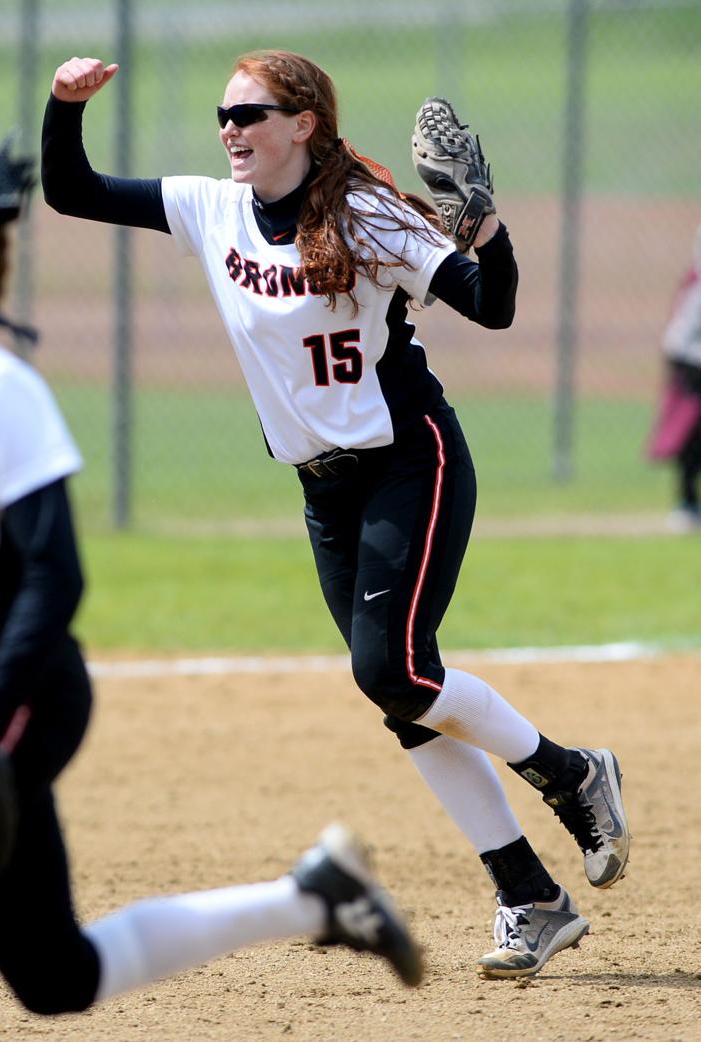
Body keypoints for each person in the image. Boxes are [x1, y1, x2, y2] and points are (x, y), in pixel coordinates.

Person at [0, 141, 423, 1042]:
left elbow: (56, 576)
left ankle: (313, 899)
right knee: (55, 976)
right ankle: (311, 900)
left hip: (19, 688)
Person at [40, 51, 632, 981]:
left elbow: (496, 307)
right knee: (402, 700)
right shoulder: (212, 207)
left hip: (410, 460)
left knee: (390, 667)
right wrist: (64, 105)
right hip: (322, 488)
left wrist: (488, 231)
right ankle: (530, 895)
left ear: (304, 122)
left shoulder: (367, 212)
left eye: (252, 113)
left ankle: (570, 774)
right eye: (224, 114)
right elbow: (72, 191)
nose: (231, 129)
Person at [646, 223, 701, 532]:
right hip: (691, 360)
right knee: (691, 432)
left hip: (686, 356)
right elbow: (681, 335)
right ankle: (687, 503)